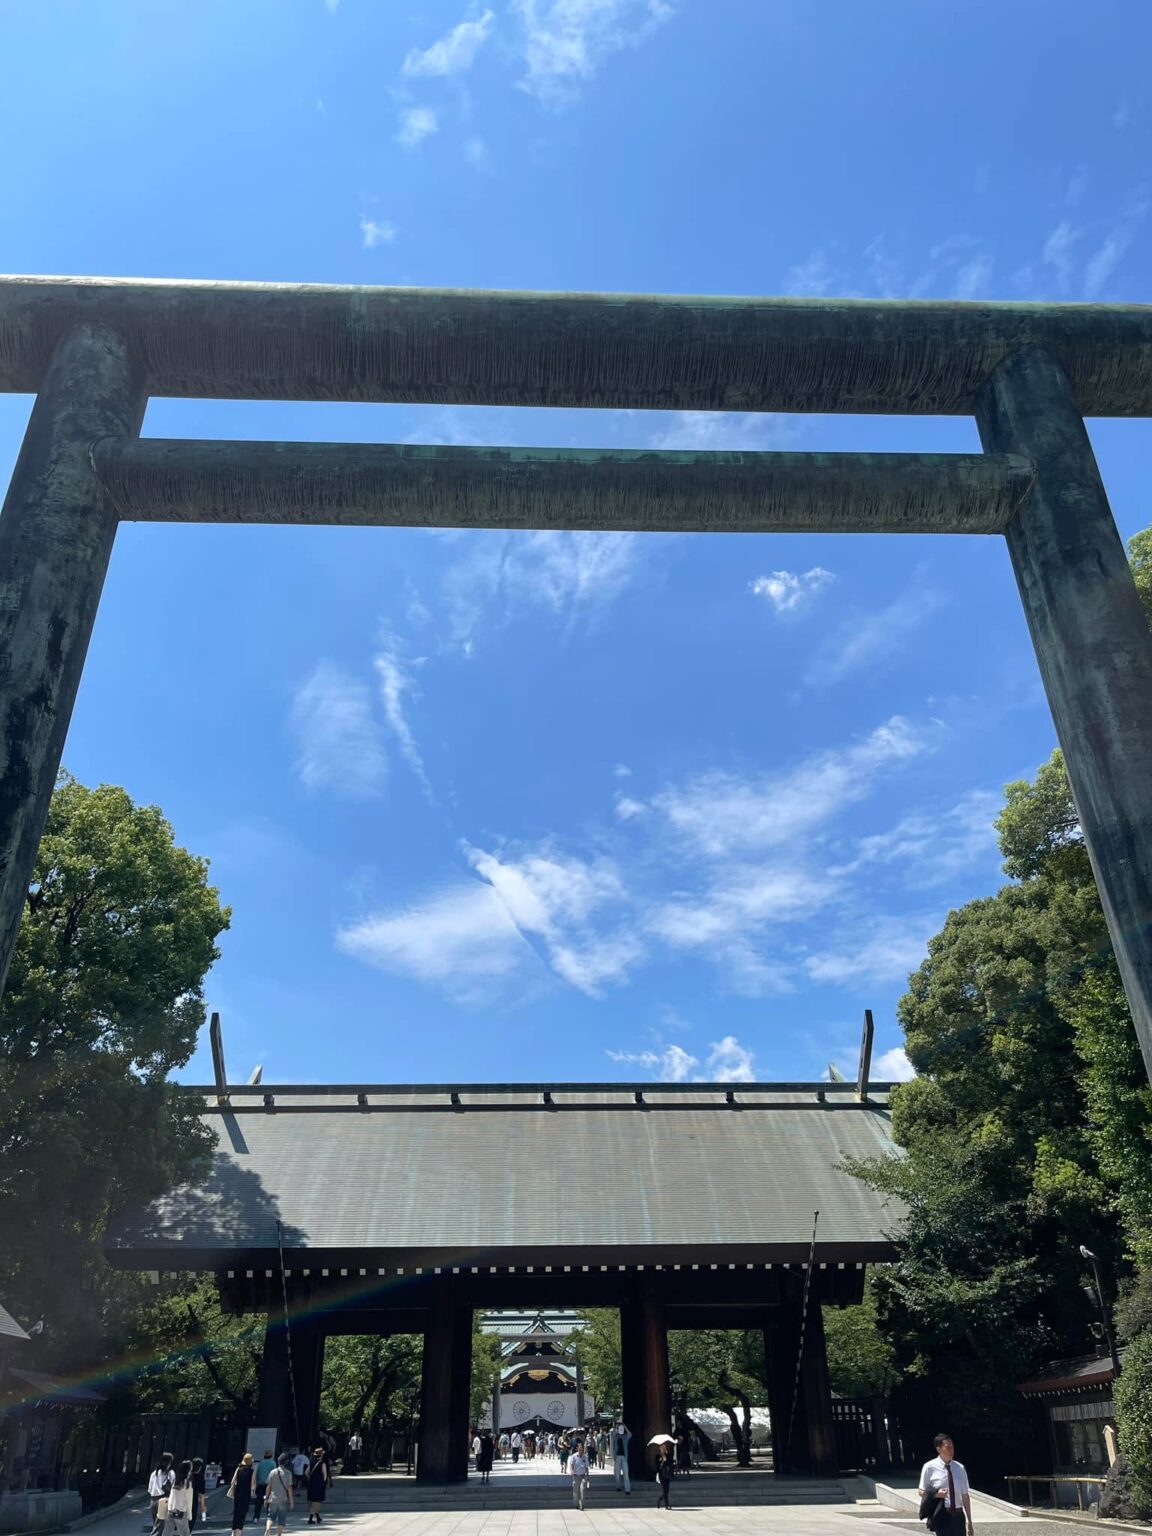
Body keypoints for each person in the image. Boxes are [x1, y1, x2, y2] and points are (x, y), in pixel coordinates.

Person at [917, 1434, 974, 1536]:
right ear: (939, 1449)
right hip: (941, 1514)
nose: (952, 1450)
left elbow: (965, 1496)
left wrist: (970, 1522)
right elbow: (921, 1491)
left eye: (952, 1447)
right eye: (948, 1447)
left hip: (958, 1515)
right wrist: (936, 1494)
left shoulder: (960, 1468)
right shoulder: (929, 1467)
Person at [264, 1454, 294, 1536]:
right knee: (281, 1519)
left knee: (270, 1517)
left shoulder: (272, 1472)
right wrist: (291, 1502)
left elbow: (268, 1486)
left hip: (273, 1498)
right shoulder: (288, 1473)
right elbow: (289, 1489)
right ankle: (279, 1534)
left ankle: (268, 1529)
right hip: (283, 1499)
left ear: (278, 1462)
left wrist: (266, 1498)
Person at [163, 1462, 195, 1536]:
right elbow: (189, 1500)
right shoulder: (187, 1484)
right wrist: (189, 1515)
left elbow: (171, 1496)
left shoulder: (175, 1481)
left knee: (166, 1533)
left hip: (171, 1510)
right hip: (181, 1511)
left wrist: (169, 1508)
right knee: (185, 1533)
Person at [227, 1453, 254, 1536]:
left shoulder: (238, 1469)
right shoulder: (252, 1471)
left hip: (238, 1494)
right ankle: (238, 1533)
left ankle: (233, 1532)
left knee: (236, 1513)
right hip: (246, 1495)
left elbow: (232, 1481)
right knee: (242, 1514)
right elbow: (253, 1485)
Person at [148, 1453, 175, 1536]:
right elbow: (173, 1487)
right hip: (164, 1500)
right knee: (160, 1526)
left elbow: (149, 1489)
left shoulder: (154, 1474)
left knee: (156, 1524)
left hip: (153, 1500)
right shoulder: (170, 1473)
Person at [306, 1448, 329, 1524]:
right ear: (321, 1455)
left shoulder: (311, 1463)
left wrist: (310, 1478)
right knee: (317, 1502)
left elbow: (306, 1472)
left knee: (313, 1501)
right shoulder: (322, 1463)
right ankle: (310, 1518)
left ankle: (318, 1517)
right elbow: (325, 1475)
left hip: (311, 1483)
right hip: (319, 1484)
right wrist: (323, 1482)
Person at [254, 1451, 276, 1521]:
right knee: (269, 1501)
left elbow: (257, 1474)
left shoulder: (260, 1463)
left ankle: (256, 1517)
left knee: (258, 1502)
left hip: (260, 1484)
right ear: (271, 1456)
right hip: (269, 1485)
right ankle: (269, 1517)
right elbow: (274, 1474)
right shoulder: (273, 1463)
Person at [569, 1441, 590, 1511]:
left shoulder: (585, 1457)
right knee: (575, 1491)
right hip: (576, 1475)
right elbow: (571, 1465)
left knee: (582, 1490)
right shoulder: (574, 1456)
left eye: (582, 1449)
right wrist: (572, 1471)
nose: (581, 1450)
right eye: (580, 1449)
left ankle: (582, 1505)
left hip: (583, 1476)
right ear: (577, 1449)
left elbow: (587, 1467)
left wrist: (587, 1475)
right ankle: (576, 1504)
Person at [612, 1423, 631, 1494]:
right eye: (620, 1428)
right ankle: (618, 1486)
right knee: (617, 1473)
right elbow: (612, 1434)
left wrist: (625, 1427)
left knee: (626, 1473)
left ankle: (627, 1489)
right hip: (617, 1456)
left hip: (624, 1457)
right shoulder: (616, 1436)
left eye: (621, 1428)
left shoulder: (625, 1437)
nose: (621, 1429)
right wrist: (616, 1428)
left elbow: (630, 1434)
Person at [655, 1445, 674, 1510]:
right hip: (662, 1476)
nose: (663, 1450)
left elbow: (671, 1464)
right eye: (662, 1449)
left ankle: (659, 1500)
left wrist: (666, 1459)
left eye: (664, 1449)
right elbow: (657, 1467)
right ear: (660, 1450)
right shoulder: (658, 1457)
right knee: (664, 1491)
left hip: (667, 1475)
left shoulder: (668, 1455)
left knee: (667, 1491)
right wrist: (662, 1461)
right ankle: (667, 1505)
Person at [190, 1458, 207, 1525]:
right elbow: (202, 1493)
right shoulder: (201, 1478)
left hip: (184, 1500)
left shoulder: (187, 1476)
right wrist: (202, 1506)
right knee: (192, 1518)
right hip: (194, 1499)